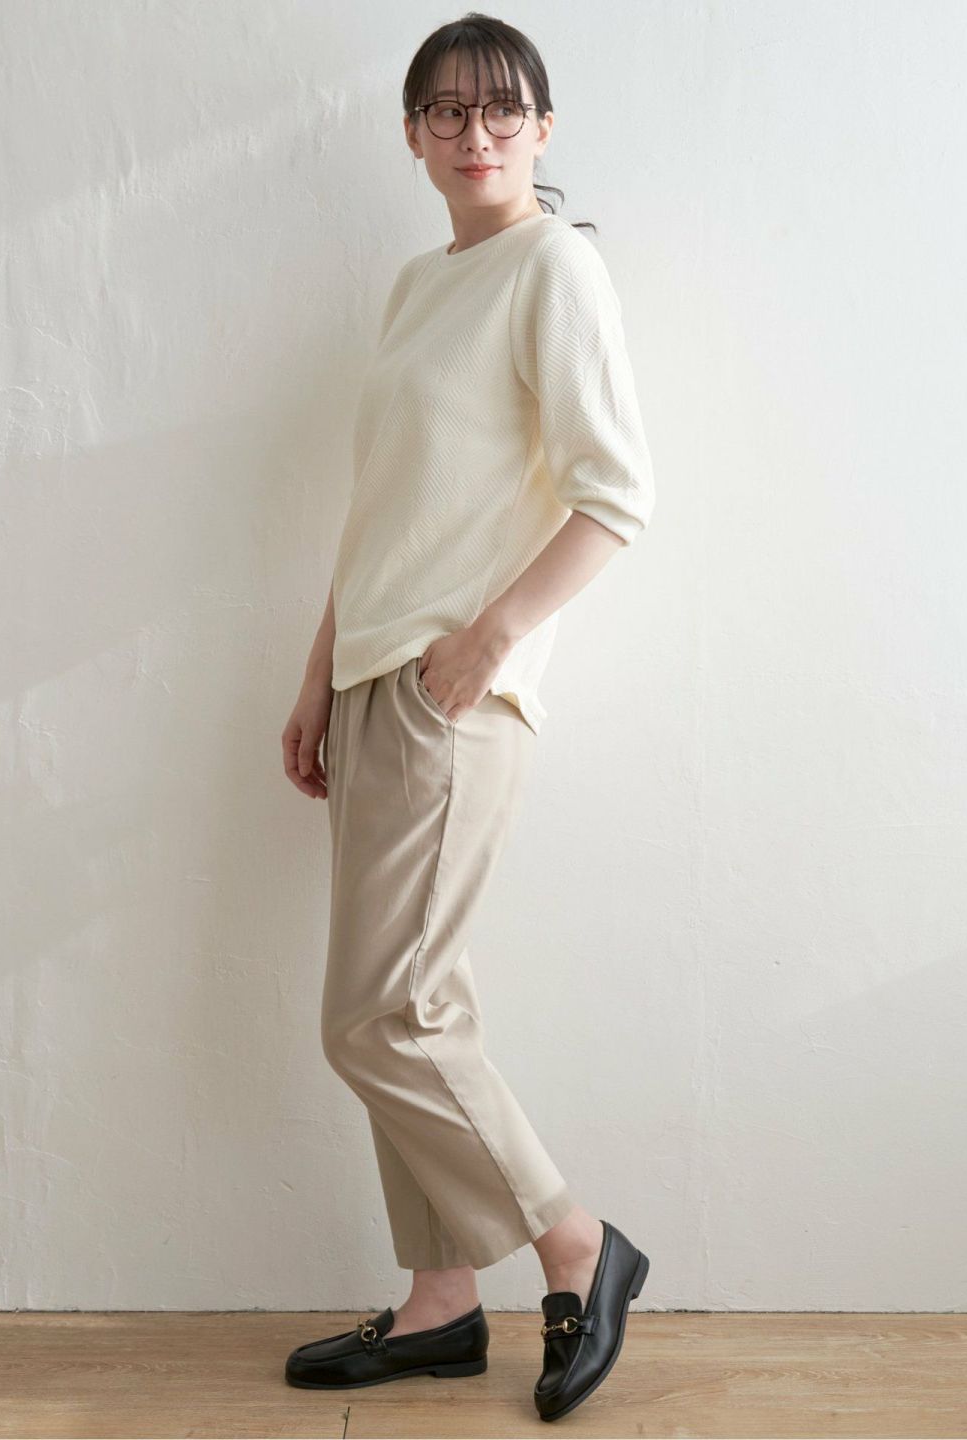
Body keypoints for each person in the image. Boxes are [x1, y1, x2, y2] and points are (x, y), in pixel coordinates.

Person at [281, 13, 653, 1421]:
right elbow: (383, 508)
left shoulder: (554, 267)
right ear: (412, 134)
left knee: (374, 1018)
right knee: (417, 1007)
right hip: (376, 675)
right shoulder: (417, 285)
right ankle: (441, 1304)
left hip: (454, 690)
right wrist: (320, 671)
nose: (475, 133)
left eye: (503, 110)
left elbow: (616, 496)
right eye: (446, 111)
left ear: (543, 128)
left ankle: (578, 1246)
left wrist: (489, 640)